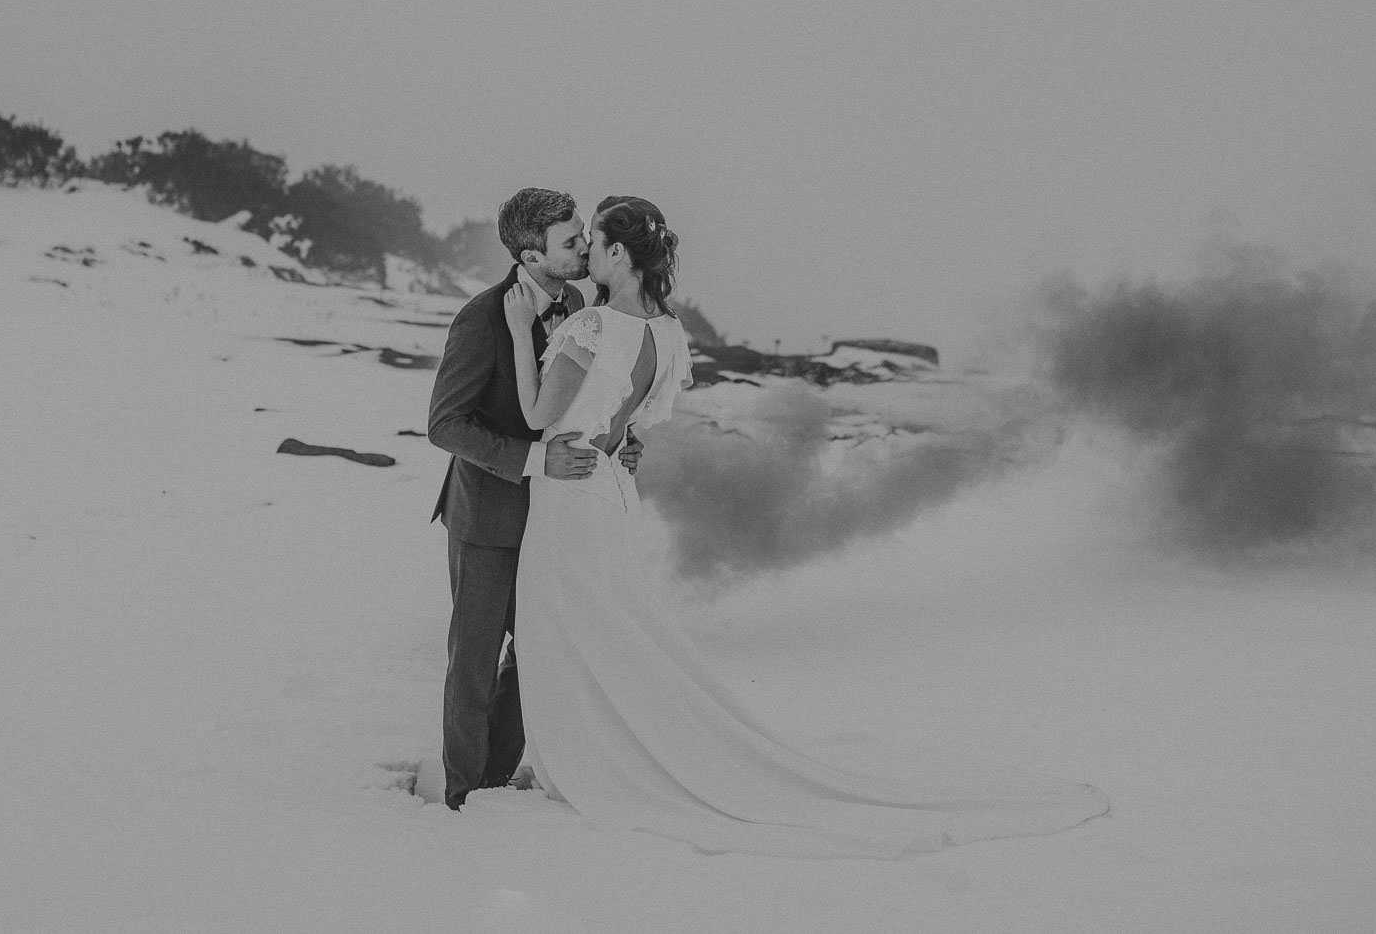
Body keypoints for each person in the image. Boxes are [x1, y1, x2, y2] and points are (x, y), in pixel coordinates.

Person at [502, 195, 1111, 857]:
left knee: (567, 624)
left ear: (619, 254)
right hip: (614, 493)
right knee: (613, 628)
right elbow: (631, 431)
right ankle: (612, 749)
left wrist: (516, 330)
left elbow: (538, 415)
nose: (586, 251)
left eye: (594, 242)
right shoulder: (667, 334)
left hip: (568, 494)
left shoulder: (592, 326)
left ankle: (589, 762)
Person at [427, 188, 642, 812]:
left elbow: (582, 399)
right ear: (530, 254)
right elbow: (445, 424)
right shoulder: (479, 318)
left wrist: (619, 443)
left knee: (537, 652)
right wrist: (530, 459)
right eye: (571, 242)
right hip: (486, 519)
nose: (585, 248)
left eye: (582, 236)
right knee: (473, 661)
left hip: (553, 519)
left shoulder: (575, 303)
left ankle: (495, 777)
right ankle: (462, 796)